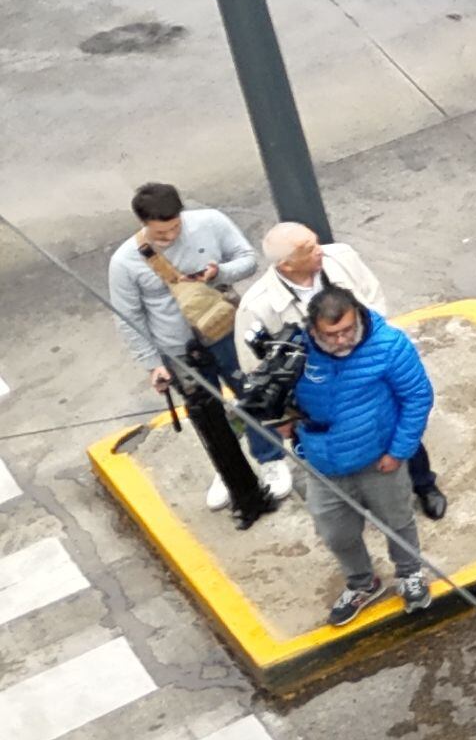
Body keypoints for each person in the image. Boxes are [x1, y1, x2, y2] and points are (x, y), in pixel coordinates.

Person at [234, 222, 441, 518]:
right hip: (315, 399)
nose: (320, 250)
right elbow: (255, 370)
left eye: (316, 242)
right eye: (309, 249)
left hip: (369, 376)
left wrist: (371, 349)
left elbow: (373, 296)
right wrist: (280, 418)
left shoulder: (341, 257)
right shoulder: (257, 306)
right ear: (286, 264)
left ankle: (424, 485)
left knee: (399, 430)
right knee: (328, 455)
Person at [111, 182, 282, 523]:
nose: (169, 237)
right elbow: (129, 318)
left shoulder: (211, 222)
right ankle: (227, 467)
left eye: (175, 227)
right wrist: (152, 365)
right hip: (178, 350)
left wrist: (220, 273)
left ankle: (270, 458)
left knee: (251, 392)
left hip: (223, 329)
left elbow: (247, 260)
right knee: (206, 411)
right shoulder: (125, 262)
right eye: (160, 232)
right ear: (143, 223)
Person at [284, 285, 436, 622]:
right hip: (324, 466)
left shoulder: (390, 346)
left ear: (359, 316)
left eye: (348, 330)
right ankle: (363, 583)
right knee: (336, 534)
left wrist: (399, 451)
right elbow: (278, 397)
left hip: (379, 461)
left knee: (398, 522)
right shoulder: (296, 352)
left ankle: (410, 572)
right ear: (313, 330)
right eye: (331, 334)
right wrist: (282, 421)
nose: (342, 341)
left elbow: (417, 397)